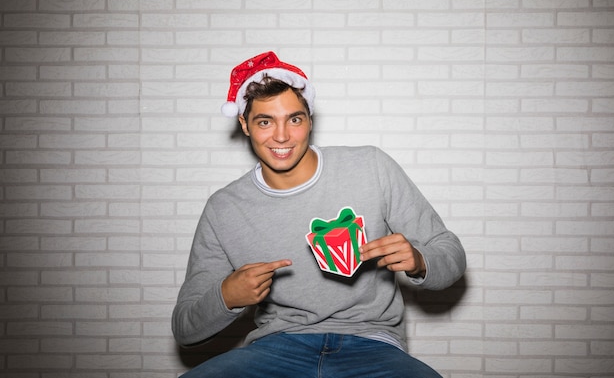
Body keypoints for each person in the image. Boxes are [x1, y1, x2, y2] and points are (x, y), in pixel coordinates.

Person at [172, 51, 466, 378]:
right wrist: (227, 296)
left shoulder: (371, 168)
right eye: (265, 121)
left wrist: (420, 259)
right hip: (276, 347)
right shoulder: (223, 208)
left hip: (374, 345)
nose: (281, 136)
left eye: (294, 119)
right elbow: (185, 329)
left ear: (310, 119)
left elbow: (449, 251)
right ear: (244, 124)